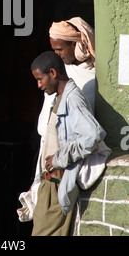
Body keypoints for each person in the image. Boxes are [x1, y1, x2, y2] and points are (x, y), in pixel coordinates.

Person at [29, 51, 110, 236]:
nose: (39, 85)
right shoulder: (60, 97)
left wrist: (60, 158)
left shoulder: (73, 99)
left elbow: (93, 135)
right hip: (51, 184)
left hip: (58, 184)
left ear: (53, 72)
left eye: (40, 79)